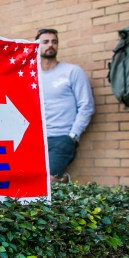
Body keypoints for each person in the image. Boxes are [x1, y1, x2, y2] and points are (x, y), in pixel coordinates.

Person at [37, 28, 94, 183]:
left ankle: (60, 182)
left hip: (62, 137)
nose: (51, 45)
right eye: (46, 42)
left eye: (54, 42)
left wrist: (73, 136)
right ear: (37, 45)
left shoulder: (72, 71)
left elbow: (86, 105)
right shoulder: (32, 75)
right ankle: (64, 183)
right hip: (36, 139)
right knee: (30, 181)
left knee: (48, 181)